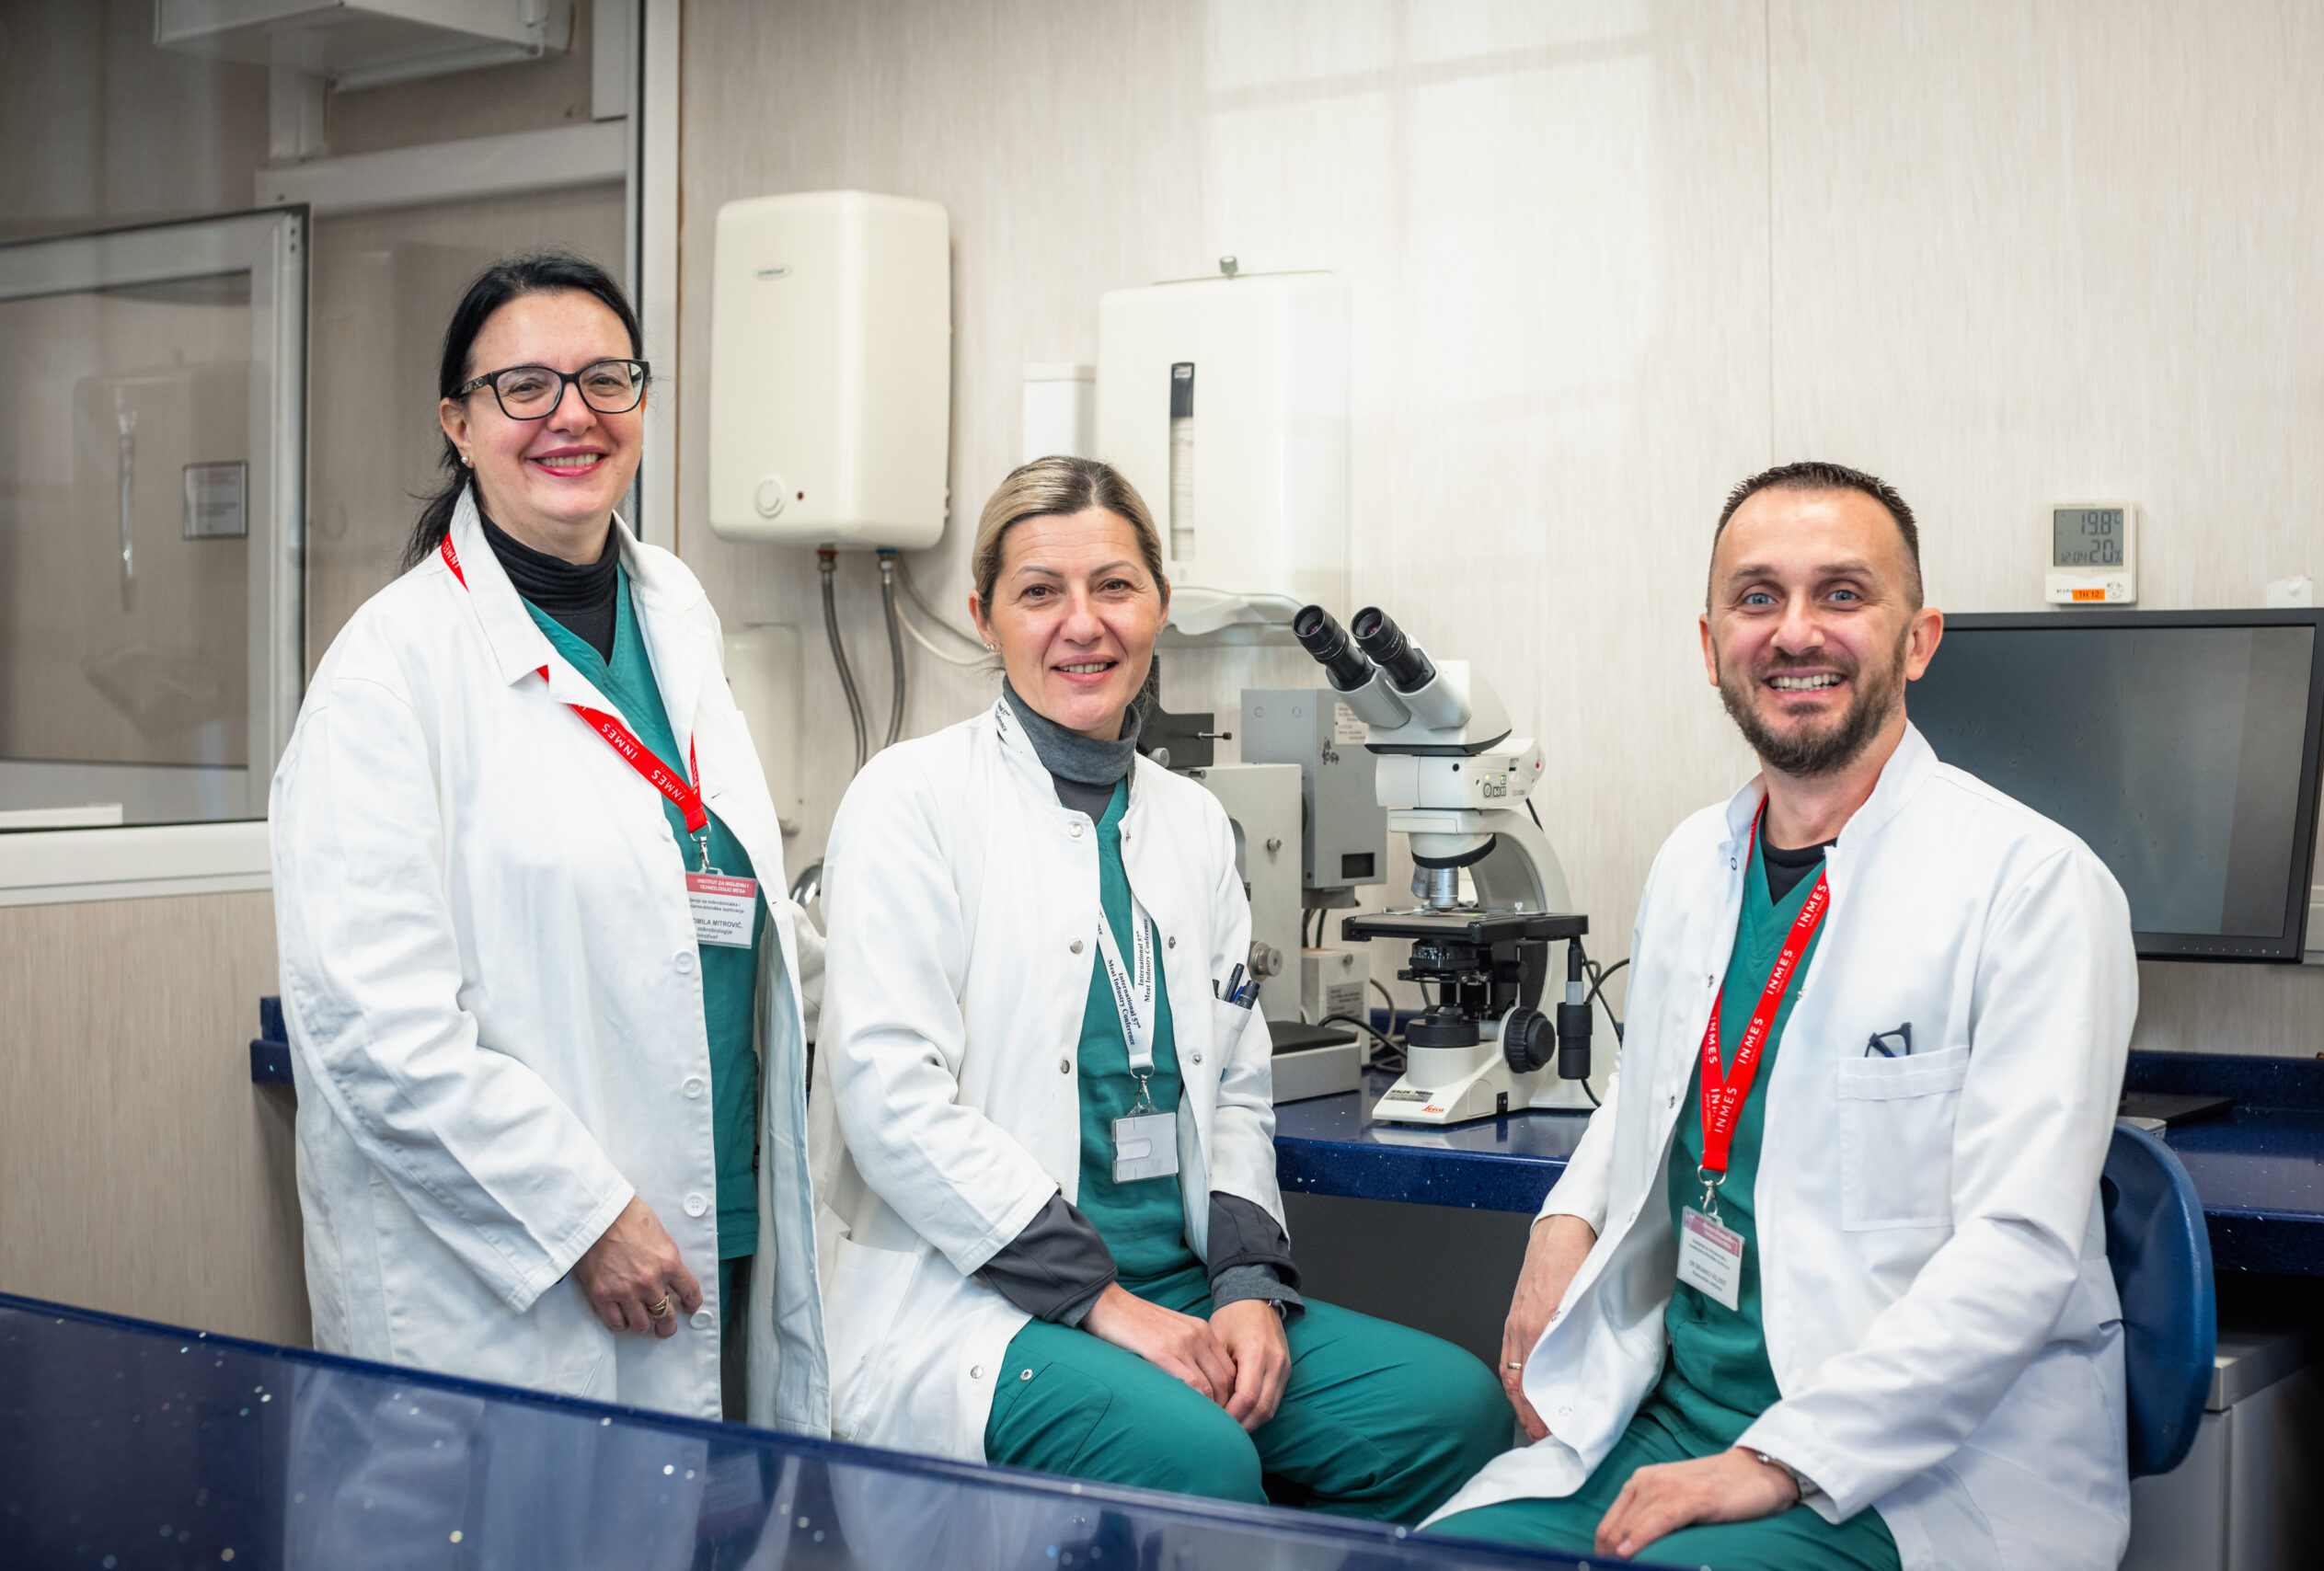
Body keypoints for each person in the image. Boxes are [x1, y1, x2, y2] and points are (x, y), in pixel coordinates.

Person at [1424, 462, 2137, 1568]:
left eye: (1841, 593)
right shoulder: (1692, 861)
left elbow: (2017, 1254)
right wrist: (1563, 1220)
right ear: (1711, 644)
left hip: (1907, 1475)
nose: (1795, 631)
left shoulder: (2034, 886)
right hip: (1670, 1419)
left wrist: (1772, 1459)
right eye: (1757, 598)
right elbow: (1654, 1087)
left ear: (1918, 640)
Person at [808, 456, 1513, 1517]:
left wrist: (1250, 1288)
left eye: (1114, 586)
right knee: (1199, 1460)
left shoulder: (1191, 822)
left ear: (1159, 606)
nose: (1081, 623)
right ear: (984, 616)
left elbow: (1233, 1086)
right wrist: (1102, 1302)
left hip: (1177, 1282)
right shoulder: (910, 799)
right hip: (983, 1301)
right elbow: (891, 1104)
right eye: (1039, 591)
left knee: (1449, 1411)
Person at [270, 254, 826, 1429]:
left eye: (605, 379)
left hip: (709, 1207)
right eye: (525, 386)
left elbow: (705, 889)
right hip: (522, 1271)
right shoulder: (389, 671)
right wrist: (581, 1218)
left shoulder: (675, 610)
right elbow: (374, 1029)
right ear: (458, 424)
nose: (573, 414)